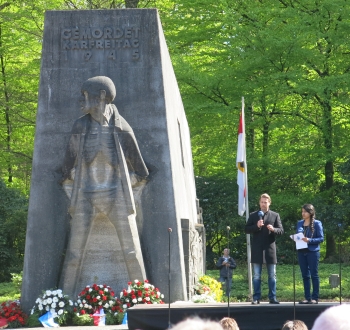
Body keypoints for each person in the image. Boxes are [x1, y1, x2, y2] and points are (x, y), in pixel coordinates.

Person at [60, 76, 149, 298]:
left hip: (116, 196)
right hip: (85, 198)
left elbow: (141, 171)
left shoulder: (121, 127)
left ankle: (145, 303)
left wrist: (130, 182)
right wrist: (71, 180)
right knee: (73, 255)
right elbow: (65, 170)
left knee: (131, 252)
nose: (81, 101)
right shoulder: (80, 126)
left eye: (85, 95)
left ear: (100, 96)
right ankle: (61, 305)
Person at [245, 193, 284, 304]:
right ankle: (256, 298)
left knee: (272, 275)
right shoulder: (253, 215)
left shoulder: (275, 215)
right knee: (257, 275)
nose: (263, 204)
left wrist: (273, 229)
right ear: (259, 203)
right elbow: (246, 229)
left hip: (270, 249)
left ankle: (273, 297)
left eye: (265, 202)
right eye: (262, 202)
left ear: (269, 203)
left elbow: (281, 230)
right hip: (257, 249)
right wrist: (256, 226)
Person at [296, 204, 324, 304]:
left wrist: (310, 240)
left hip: (313, 252)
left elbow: (321, 238)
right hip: (301, 251)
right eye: (302, 211)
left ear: (310, 212)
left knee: (314, 275)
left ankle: (315, 298)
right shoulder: (300, 223)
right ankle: (307, 297)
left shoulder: (317, 223)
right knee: (305, 275)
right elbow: (299, 232)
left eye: (305, 211)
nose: (303, 213)